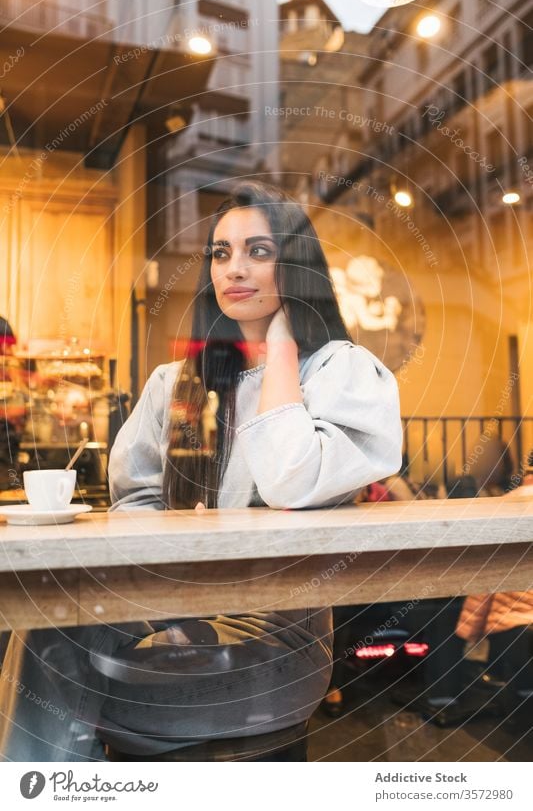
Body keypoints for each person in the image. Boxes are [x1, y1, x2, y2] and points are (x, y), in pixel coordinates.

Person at [0, 181, 402, 761]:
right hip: (171, 598)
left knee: (59, 666)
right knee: (44, 625)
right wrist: (175, 551)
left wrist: (283, 348)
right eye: (221, 252)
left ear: (297, 263)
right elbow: (132, 502)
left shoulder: (341, 372)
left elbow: (292, 478)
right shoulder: (175, 382)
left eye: (259, 252)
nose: (234, 268)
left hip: (273, 636)